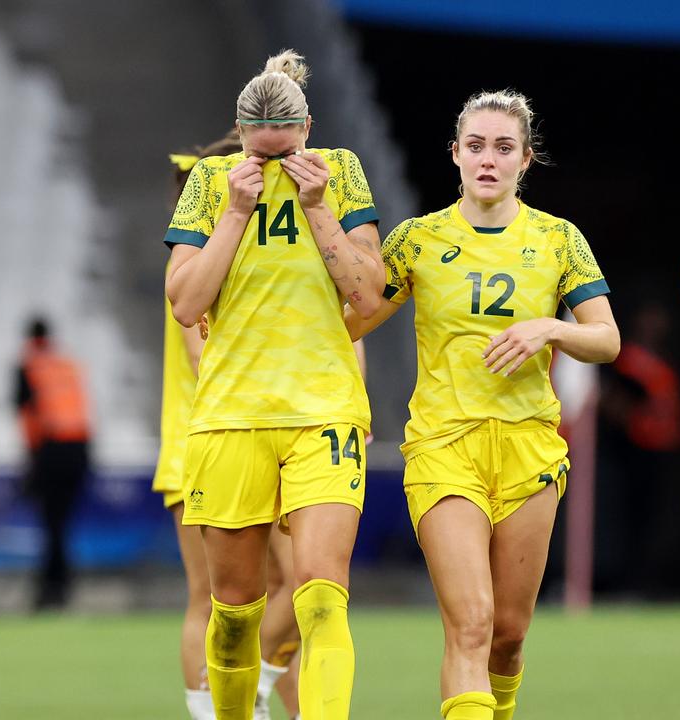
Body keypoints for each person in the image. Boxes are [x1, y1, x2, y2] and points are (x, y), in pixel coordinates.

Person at [345, 90, 619, 720]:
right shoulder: (416, 241)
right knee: (471, 622)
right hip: (444, 448)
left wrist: (548, 330)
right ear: (455, 156)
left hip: (529, 451)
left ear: (526, 159)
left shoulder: (558, 240)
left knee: (509, 635)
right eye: (475, 147)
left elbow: (606, 340)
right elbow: (352, 321)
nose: (487, 160)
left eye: (502, 148)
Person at [163, 49, 384, 720]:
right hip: (233, 418)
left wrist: (317, 208)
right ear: (240, 133)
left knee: (320, 590)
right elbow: (183, 302)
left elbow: (369, 297)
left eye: (283, 152)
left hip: (323, 413)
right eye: (260, 154)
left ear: (308, 129)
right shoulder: (210, 182)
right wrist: (234, 211)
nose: (271, 166)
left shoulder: (340, 174)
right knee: (233, 612)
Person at [158, 137, 304, 720]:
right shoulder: (199, 267)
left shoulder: (249, 258)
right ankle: (219, 706)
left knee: (294, 583)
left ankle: (263, 694)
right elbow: (203, 355)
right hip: (208, 440)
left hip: (261, 435)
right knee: (213, 596)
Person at [15, 316, 91, 611]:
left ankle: (51, 590)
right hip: (79, 449)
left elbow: (26, 417)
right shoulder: (67, 365)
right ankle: (60, 585)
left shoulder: (28, 367)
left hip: (49, 451)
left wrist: (32, 463)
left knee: (51, 523)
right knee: (63, 523)